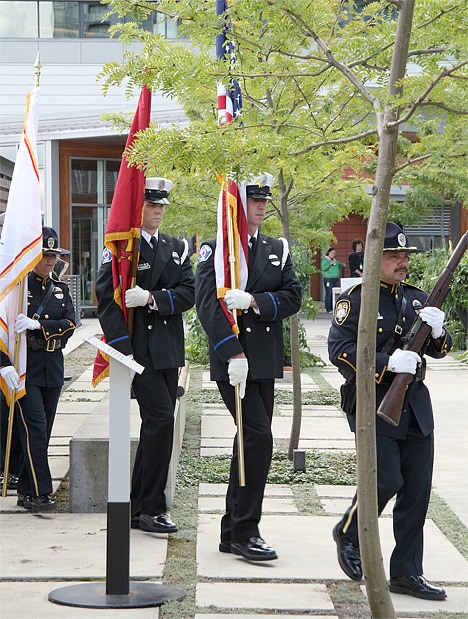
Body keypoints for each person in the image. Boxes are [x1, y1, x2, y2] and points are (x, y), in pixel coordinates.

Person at [328, 221, 451, 601]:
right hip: (372, 406)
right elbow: (339, 351)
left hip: (413, 406)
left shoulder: (416, 299)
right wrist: (386, 362)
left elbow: (439, 351)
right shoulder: (357, 300)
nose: (402, 262)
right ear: (372, 258)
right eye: (394, 256)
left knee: (416, 491)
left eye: (404, 256)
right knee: (386, 480)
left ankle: (406, 573)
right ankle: (349, 531)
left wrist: (440, 331)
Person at [195, 173, 302, 561]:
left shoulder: (277, 248)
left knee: (249, 441)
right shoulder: (217, 249)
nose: (260, 206)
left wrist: (255, 301)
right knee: (259, 439)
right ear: (239, 205)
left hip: (265, 361)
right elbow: (207, 306)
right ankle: (245, 530)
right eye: (253, 200)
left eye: (264, 200)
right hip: (235, 362)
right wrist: (231, 352)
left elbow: (293, 296)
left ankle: (230, 529)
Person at [95, 177, 195, 534]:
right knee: (161, 421)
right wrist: (123, 349)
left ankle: (139, 505)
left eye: (161, 206)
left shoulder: (176, 246)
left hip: (167, 350)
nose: (157, 211)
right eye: (151, 205)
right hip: (138, 350)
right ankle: (151, 507)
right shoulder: (123, 248)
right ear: (139, 208)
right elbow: (106, 296)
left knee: (158, 425)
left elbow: (189, 293)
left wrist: (151, 298)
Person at [0, 227, 76, 512]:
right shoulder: (15, 289)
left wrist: (40, 326)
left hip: (53, 367)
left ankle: (25, 490)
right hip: (25, 369)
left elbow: (70, 324)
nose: (50, 261)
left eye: (54, 255)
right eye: (45, 255)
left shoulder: (60, 288)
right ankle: (41, 493)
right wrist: (3, 365)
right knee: (36, 431)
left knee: (42, 432)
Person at [321, 247, 345, 313]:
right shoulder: (325, 260)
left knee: (335, 293)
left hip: (335, 279)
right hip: (328, 279)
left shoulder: (335, 261)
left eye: (334, 253)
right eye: (332, 253)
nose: (334, 254)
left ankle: (333, 307)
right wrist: (330, 264)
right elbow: (323, 268)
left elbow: (340, 265)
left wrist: (342, 265)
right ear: (329, 252)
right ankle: (328, 308)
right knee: (329, 293)